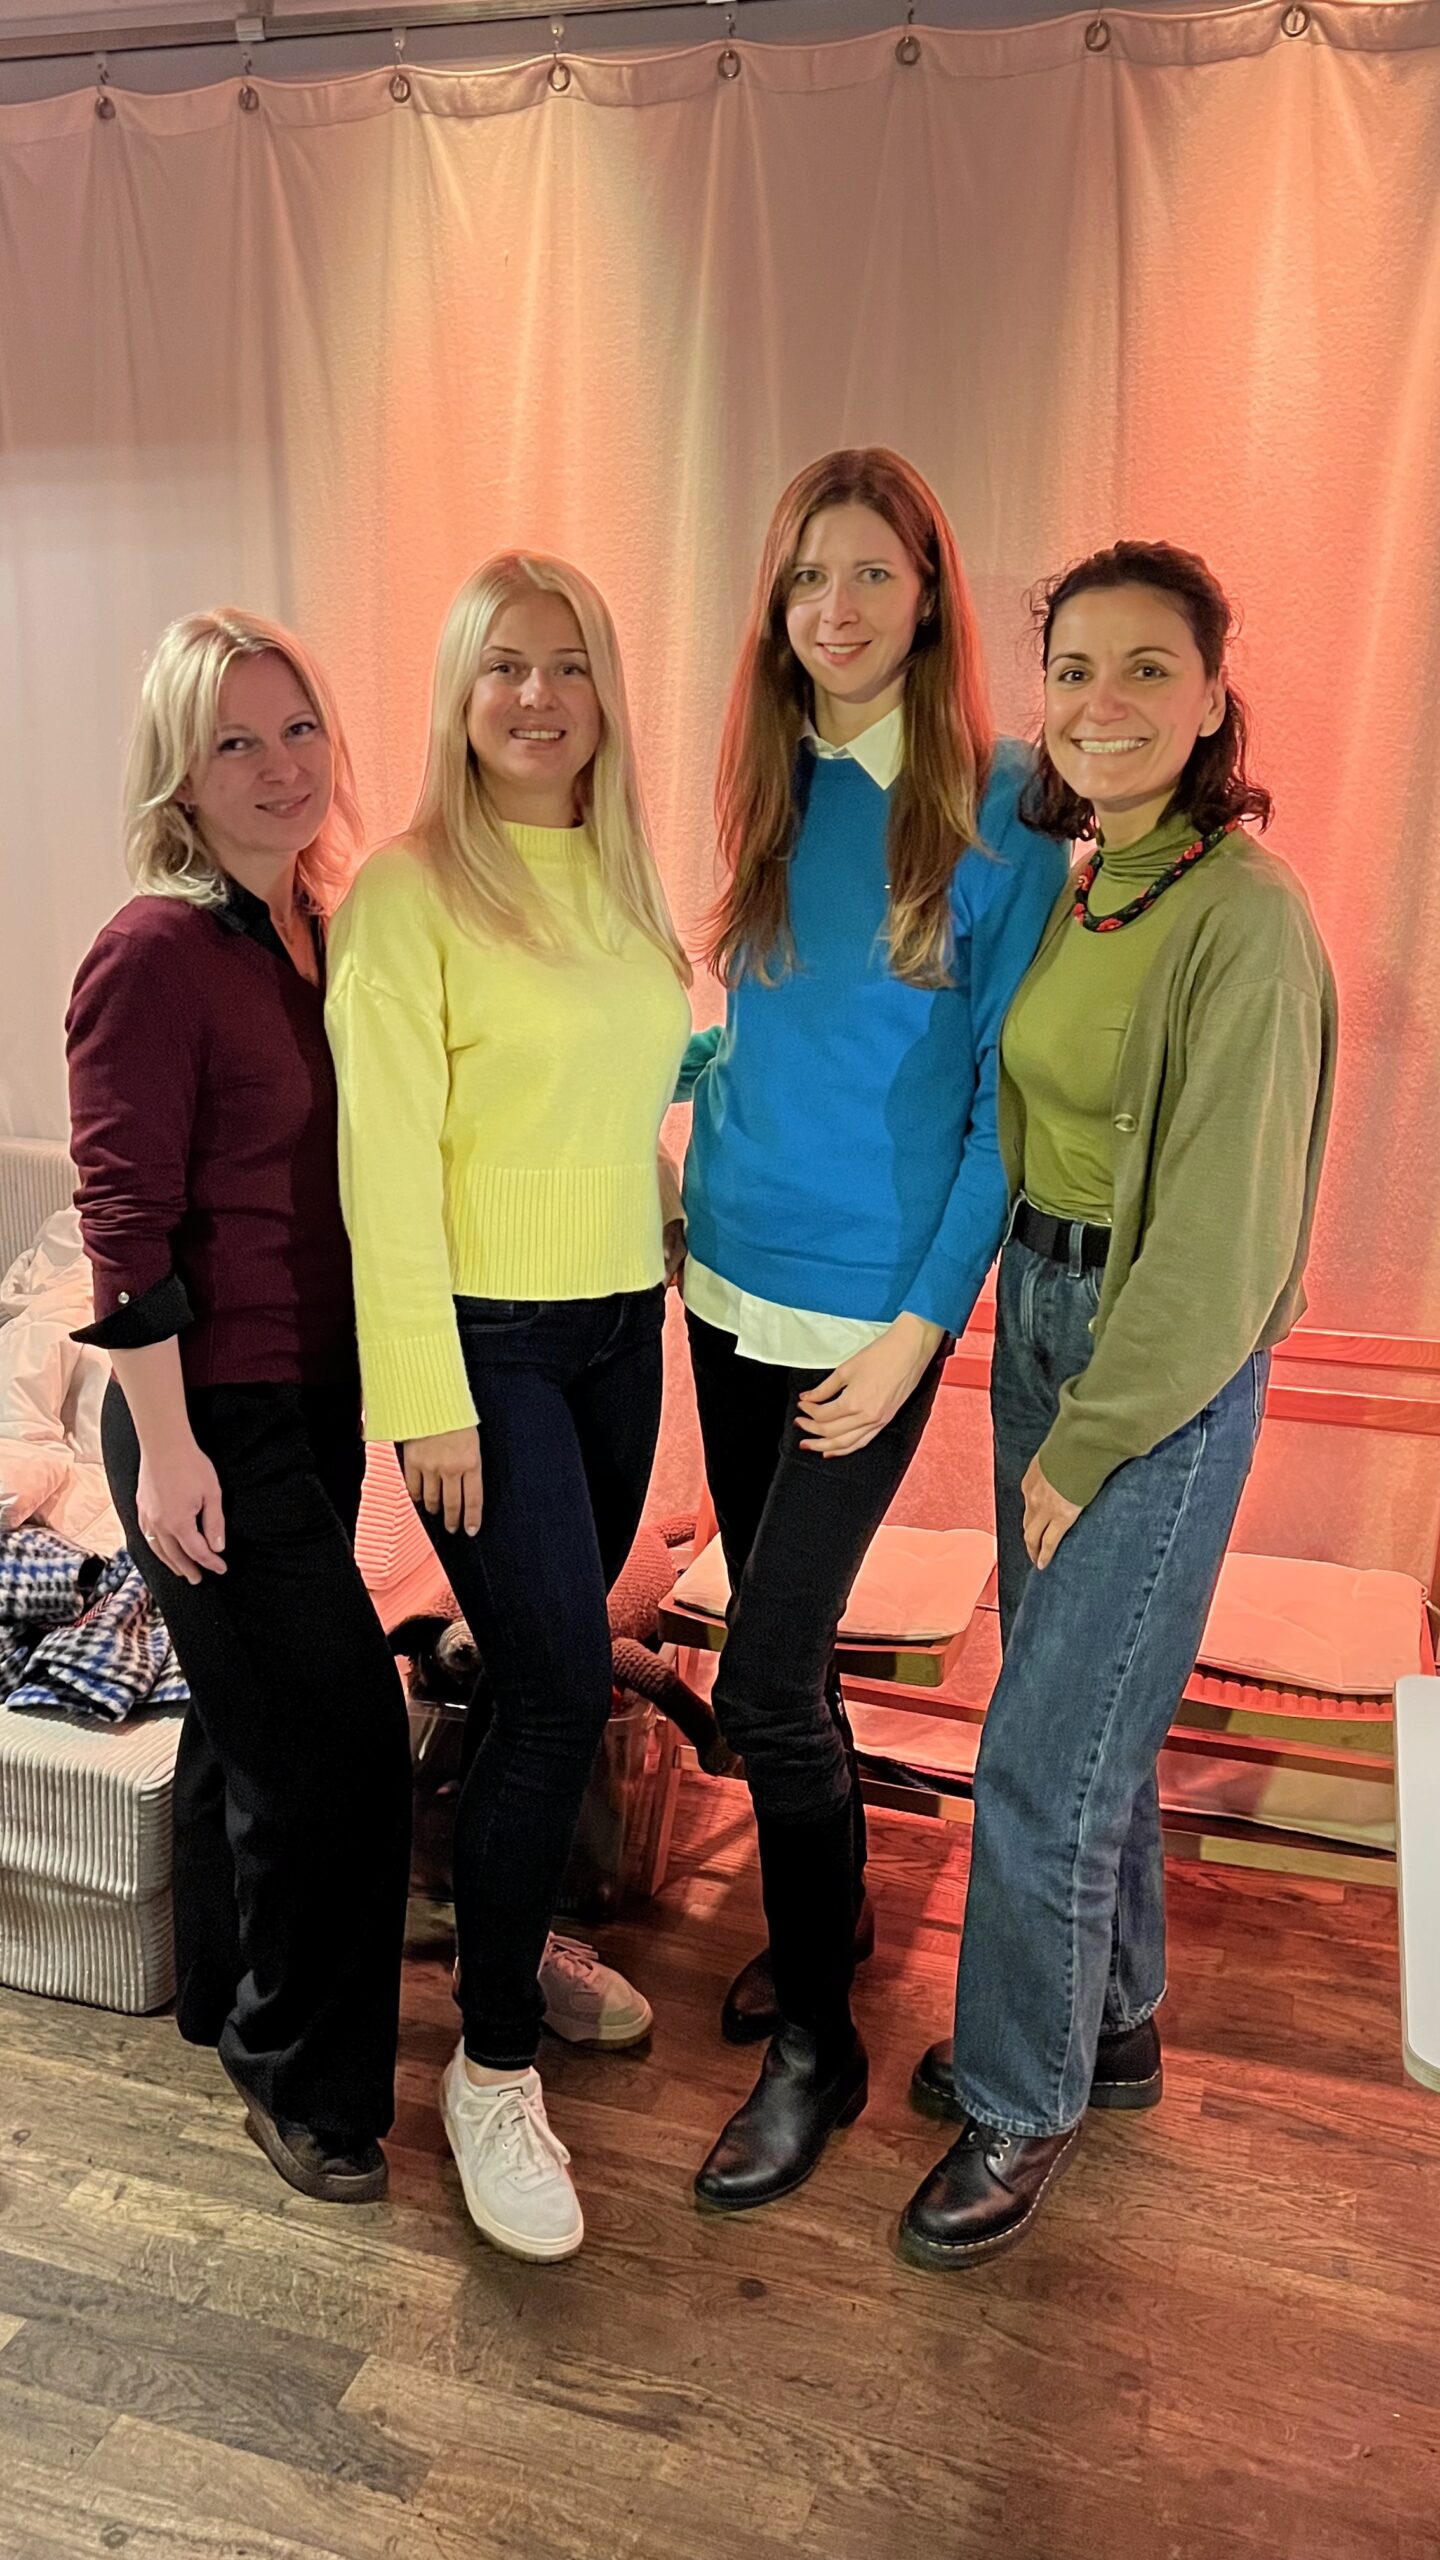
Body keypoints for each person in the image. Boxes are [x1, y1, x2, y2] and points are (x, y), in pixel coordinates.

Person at [899, 541, 1338, 2269]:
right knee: (1091, 1725)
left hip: (1152, 1362)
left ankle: (1023, 2098)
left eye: (1150, 669)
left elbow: (1225, 1247)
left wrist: (1091, 1437)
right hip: (1042, 1311)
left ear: (1216, 699)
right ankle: (1113, 2021)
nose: (1104, 703)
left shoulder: (1247, 918)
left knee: (1039, 1755)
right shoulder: (1095, 881)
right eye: (1074, 669)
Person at [677, 448, 1068, 2213]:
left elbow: (1003, 1113)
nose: (833, 608)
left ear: (929, 595)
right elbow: (773, 1029)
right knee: (797, 1668)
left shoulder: (1006, 804)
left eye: (870, 574)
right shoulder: (769, 780)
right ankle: (818, 1930)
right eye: (805, 577)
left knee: (761, 1678)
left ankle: (817, 2048)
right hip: (722, 1283)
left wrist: (922, 1330)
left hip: (866, 1322)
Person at [326, 553, 691, 2264]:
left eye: (568, 665)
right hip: (485, 1353)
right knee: (554, 1689)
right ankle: (487, 2069)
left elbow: (616, 1101)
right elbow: (385, 1166)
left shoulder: (621, 880)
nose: (537, 697)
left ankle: (511, 1930)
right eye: (503, 667)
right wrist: (428, 1397)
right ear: (459, 696)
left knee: (555, 1669)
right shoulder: (406, 893)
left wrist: (672, 1216)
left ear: (605, 693)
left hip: (622, 1328)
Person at [66, 610, 413, 2205]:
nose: (279, 768)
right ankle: (305, 2085)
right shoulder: (152, 952)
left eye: (297, 730)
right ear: (180, 774)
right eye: (234, 742)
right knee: (343, 1755)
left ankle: (218, 1994)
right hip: (207, 1410)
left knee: (249, 1720)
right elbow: (123, 1221)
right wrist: (169, 1450)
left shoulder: (319, 931)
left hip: (315, 1394)